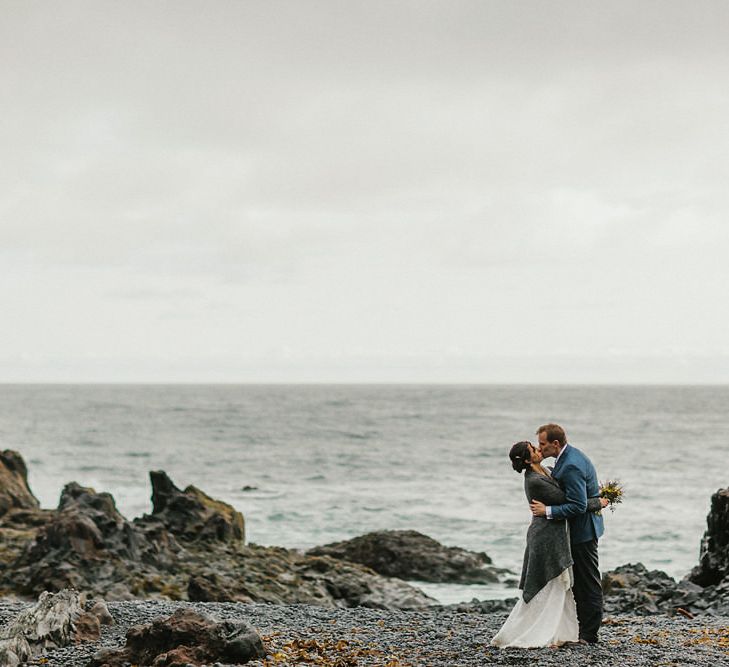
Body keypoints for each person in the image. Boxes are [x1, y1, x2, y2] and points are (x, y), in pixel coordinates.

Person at [491, 441, 606, 648]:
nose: (538, 449)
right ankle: (532, 629)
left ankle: (558, 629)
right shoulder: (534, 480)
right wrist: (599, 501)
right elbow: (570, 501)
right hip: (545, 538)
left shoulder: (547, 470)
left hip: (556, 535)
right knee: (547, 583)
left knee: (557, 585)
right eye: (534, 449)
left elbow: (571, 488)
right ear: (527, 460)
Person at [529, 423, 605, 644]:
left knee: (587, 582)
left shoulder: (571, 464)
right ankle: (582, 630)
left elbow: (578, 505)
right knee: (580, 581)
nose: (539, 448)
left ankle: (589, 635)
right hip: (581, 529)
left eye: (542, 444)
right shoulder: (566, 458)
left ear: (555, 443)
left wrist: (547, 511)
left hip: (583, 532)